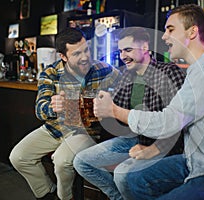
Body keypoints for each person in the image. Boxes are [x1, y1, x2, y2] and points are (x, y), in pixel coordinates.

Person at [93, 4, 204, 200]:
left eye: (170, 29)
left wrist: (114, 111)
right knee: (130, 179)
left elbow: (169, 122)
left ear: (192, 32)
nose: (164, 36)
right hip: (197, 162)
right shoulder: (197, 69)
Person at [73, 27, 186, 200]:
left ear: (145, 47)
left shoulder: (170, 72)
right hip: (133, 139)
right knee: (81, 162)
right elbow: (117, 115)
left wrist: (153, 148)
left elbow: (178, 123)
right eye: (120, 51)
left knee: (122, 174)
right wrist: (103, 111)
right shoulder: (126, 75)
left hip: (163, 145)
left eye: (128, 50)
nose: (122, 56)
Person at [9, 27, 121, 200]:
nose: (84, 57)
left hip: (85, 131)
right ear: (63, 57)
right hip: (55, 128)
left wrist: (111, 100)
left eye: (86, 50)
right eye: (76, 54)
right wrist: (52, 107)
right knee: (18, 156)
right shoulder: (50, 73)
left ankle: (65, 198)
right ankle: (48, 193)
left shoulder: (103, 69)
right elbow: (40, 109)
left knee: (61, 161)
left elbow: (126, 88)